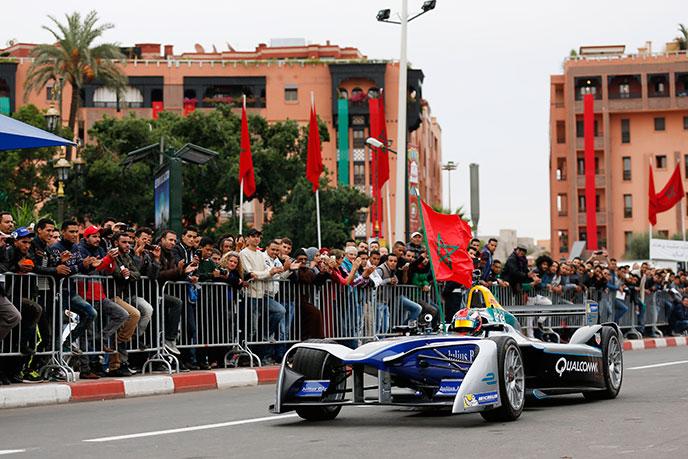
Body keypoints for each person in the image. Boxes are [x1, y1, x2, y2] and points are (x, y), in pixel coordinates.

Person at [0, 227, 43, 383]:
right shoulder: (9, 251)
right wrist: (17, 268)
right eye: (24, 242)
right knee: (33, 309)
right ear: (16, 241)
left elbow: (38, 268)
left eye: (29, 243)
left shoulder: (30, 254)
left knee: (25, 331)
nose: (27, 245)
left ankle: (15, 370)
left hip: (19, 296)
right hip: (9, 296)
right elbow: (5, 268)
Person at [239, 229, 286, 363]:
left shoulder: (260, 254)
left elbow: (263, 273)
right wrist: (268, 273)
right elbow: (250, 273)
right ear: (248, 238)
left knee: (279, 311)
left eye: (258, 237)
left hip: (263, 295)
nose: (256, 239)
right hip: (250, 294)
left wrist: (268, 273)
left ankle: (264, 339)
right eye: (253, 236)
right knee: (251, 328)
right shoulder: (244, 253)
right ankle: (246, 356)